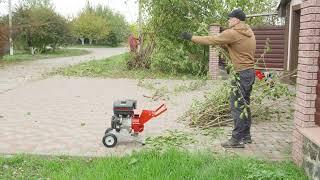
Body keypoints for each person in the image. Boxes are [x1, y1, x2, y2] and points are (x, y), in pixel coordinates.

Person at [181, 9, 256, 148]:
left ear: (236, 20)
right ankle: (246, 136)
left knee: (237, 106)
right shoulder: (249, 32)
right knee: (245, 105)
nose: (228, 21)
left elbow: (212, 39)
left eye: (230, 19)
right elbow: (237, 45)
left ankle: (237, 139)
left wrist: (191, 37)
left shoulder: (232, 33)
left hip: (240, 74)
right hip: (250, 73)